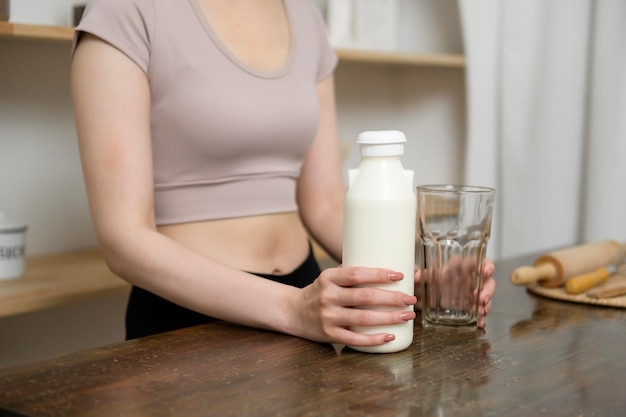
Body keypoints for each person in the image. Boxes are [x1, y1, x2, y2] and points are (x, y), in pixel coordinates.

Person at [71, 0, 496, 346]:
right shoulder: (125, 11)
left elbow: (325, 202)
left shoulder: (305, 18)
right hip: (187, 315)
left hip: (305, 296)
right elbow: (123, 239)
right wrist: (292, 309)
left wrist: (413, 278)